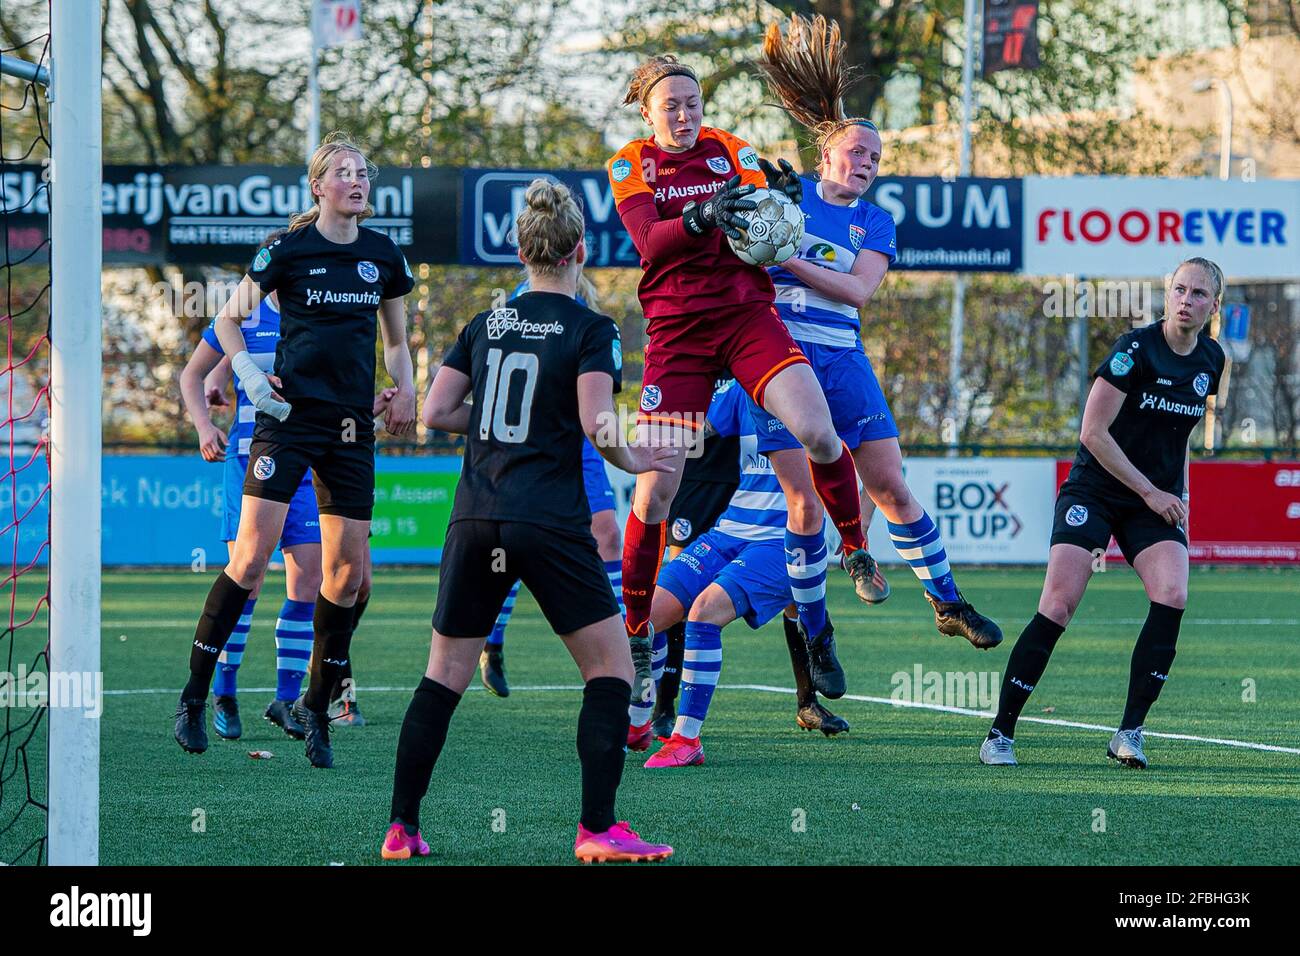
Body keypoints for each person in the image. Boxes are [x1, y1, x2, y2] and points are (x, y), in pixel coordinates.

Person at [382, 179, 676, 863]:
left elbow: (436, 412)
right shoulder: (591, 328)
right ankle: (598, 829)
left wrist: (502, 427)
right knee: (611, 672)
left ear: (521, 253)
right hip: (548, 520)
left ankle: (401, 829)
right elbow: (598, 424)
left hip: (476, 517)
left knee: (442, 676)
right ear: (580, 251)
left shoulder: (485, 324)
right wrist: (637, 457)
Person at [609, 54, 883, 706]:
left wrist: (781, 201)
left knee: (819, 434)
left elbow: (765, 205)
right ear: (648, 113)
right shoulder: (630, 163)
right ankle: (638, 630)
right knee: (654, 493)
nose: (684, 115)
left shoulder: (730, 148)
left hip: (745, 318)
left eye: (692, 104)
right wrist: (702, 216)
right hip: (677, 335)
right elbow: (649, 241)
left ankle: (851, 552)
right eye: (671, 106)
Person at [755, 13, 1001, 650]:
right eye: (857, 152)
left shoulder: (876, 222)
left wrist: (784, 255)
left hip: (842, 359)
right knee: (805, 504)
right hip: (778, 361)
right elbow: (739, 252)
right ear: (825, 155)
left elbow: (858, 291)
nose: (866, 162)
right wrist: (765, 223)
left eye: (875, 157)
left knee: (889, 485)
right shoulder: (785, 195)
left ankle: (948, 601)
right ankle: (817, 633)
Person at [172, 132, 417, 768]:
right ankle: (196, 695)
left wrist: (407, 388)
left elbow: (395, 343)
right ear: (319, 186)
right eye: (344, 172)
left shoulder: (384, 255)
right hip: (285, 423)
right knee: (250, 562)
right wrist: (249, 377)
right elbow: (227, 320)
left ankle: (314, 709)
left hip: (351, 430)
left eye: (363, 172)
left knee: (346, 577)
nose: (357, 180)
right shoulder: (287, 249)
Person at [980, 257, 1226, 769]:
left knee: (1173, 593)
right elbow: (1092, 433)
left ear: (1214, 305)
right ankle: (1000, 734)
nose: (1186, 300)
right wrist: (1152, 492)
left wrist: (1181, 493)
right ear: (1168, 293)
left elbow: (1180, 437)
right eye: (1180, 289)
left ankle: (1129, 734)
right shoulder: (1134, 350)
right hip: (1095, 491)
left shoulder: (1212, 360)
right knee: (1058, 605)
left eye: (1199, 293)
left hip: (1153, 500)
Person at [632, 379, 850, 768]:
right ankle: (636, 720)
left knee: (703, 612)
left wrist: (855, 536)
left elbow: (871, 461)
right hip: (729, 530)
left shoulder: (829, 384)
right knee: (645, 615)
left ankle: (686, 739)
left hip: (787, 540)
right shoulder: (744, 387)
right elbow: (697, 429)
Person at [178, 282, 319, 743]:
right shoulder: (242, 316)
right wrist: (204, 426)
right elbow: (193, 375)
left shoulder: (320, 311)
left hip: (307, 464)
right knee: (247, 581)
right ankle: (224, 693)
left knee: (309, 580)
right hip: (249, 462)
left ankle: (286, 700)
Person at [477, 273, 627, 698]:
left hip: (578, 440)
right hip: (532, 440)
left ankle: (628, 638)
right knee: (514, 545)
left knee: (608, 534)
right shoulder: (516, 303)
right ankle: (493, 640)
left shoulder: (587, 311)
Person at [652, 377, 741, 739]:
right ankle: (663, 706)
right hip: (693, 480)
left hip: (743, 479)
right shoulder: (689, 353)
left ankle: (806, 699)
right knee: (678, 593)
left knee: (793, 585)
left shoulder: (753, 349)